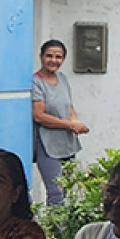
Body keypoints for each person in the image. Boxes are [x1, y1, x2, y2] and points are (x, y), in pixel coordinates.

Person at [32, 38, 88, 205]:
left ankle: (67, 230)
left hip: (67, 143)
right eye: (49, 56)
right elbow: (39, 115)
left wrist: (75, 121)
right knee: (56, 193)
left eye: (58, 57)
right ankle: (55, 231)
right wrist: (70, 125)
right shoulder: (36, 82)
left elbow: (69, 105)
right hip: (47, 144)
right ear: (41, 57)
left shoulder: (62, 78)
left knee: (68, 191)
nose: (53, 61)